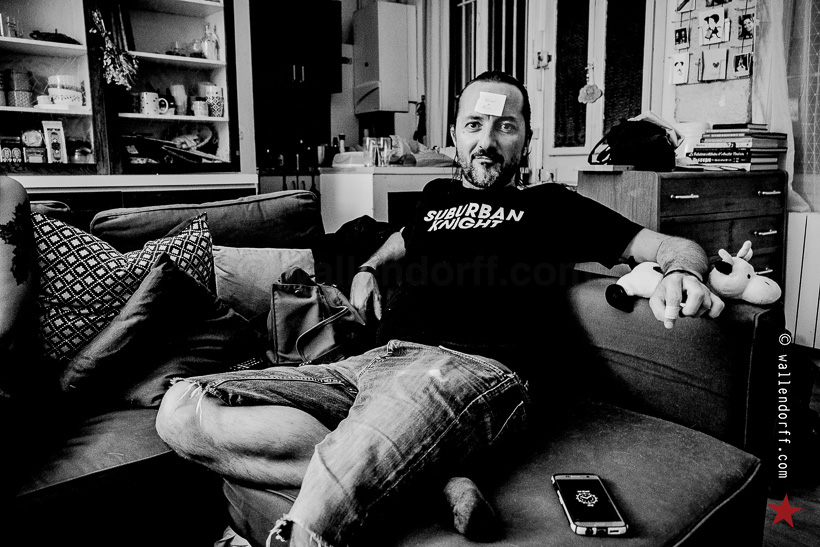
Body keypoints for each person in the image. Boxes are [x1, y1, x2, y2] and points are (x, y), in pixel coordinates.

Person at [156, 71, 723, 547]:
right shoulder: (436, 198)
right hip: (374, 362)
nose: (488, 140)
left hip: (469, 369)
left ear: (526, 139)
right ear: (454, 135)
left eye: (505, 126)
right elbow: (399, 241)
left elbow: (671, 246)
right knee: (183, 409)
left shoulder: (553, 205)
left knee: (346, 470)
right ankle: (431, 483)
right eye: (474, 125)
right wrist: (367, 269)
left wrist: (682, 273)